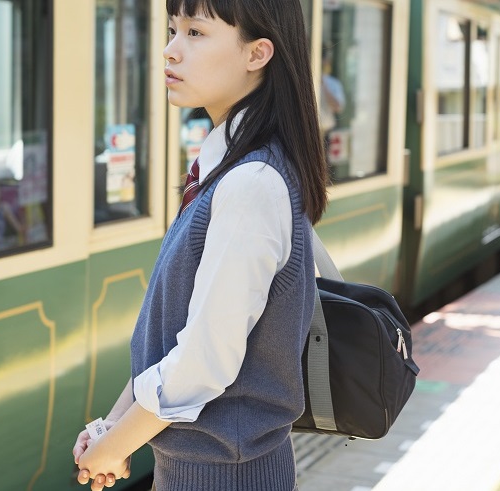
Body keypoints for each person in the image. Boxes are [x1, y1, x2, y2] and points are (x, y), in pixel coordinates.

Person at [71, 0, 329, 490]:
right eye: (172, 30)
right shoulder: (227, 169)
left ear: (258, 53)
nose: (170, 51)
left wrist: (116, 445)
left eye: (195, 33)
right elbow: (175, 334)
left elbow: (203, 361)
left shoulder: (251, 182)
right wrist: (110, 428)